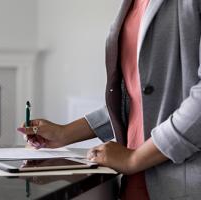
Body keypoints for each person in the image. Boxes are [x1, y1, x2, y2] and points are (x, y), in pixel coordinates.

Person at [18, 1, 201, 200]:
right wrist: (65, 133)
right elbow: (136, 98)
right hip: (136, 184)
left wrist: (135, 159)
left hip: (184, 182)